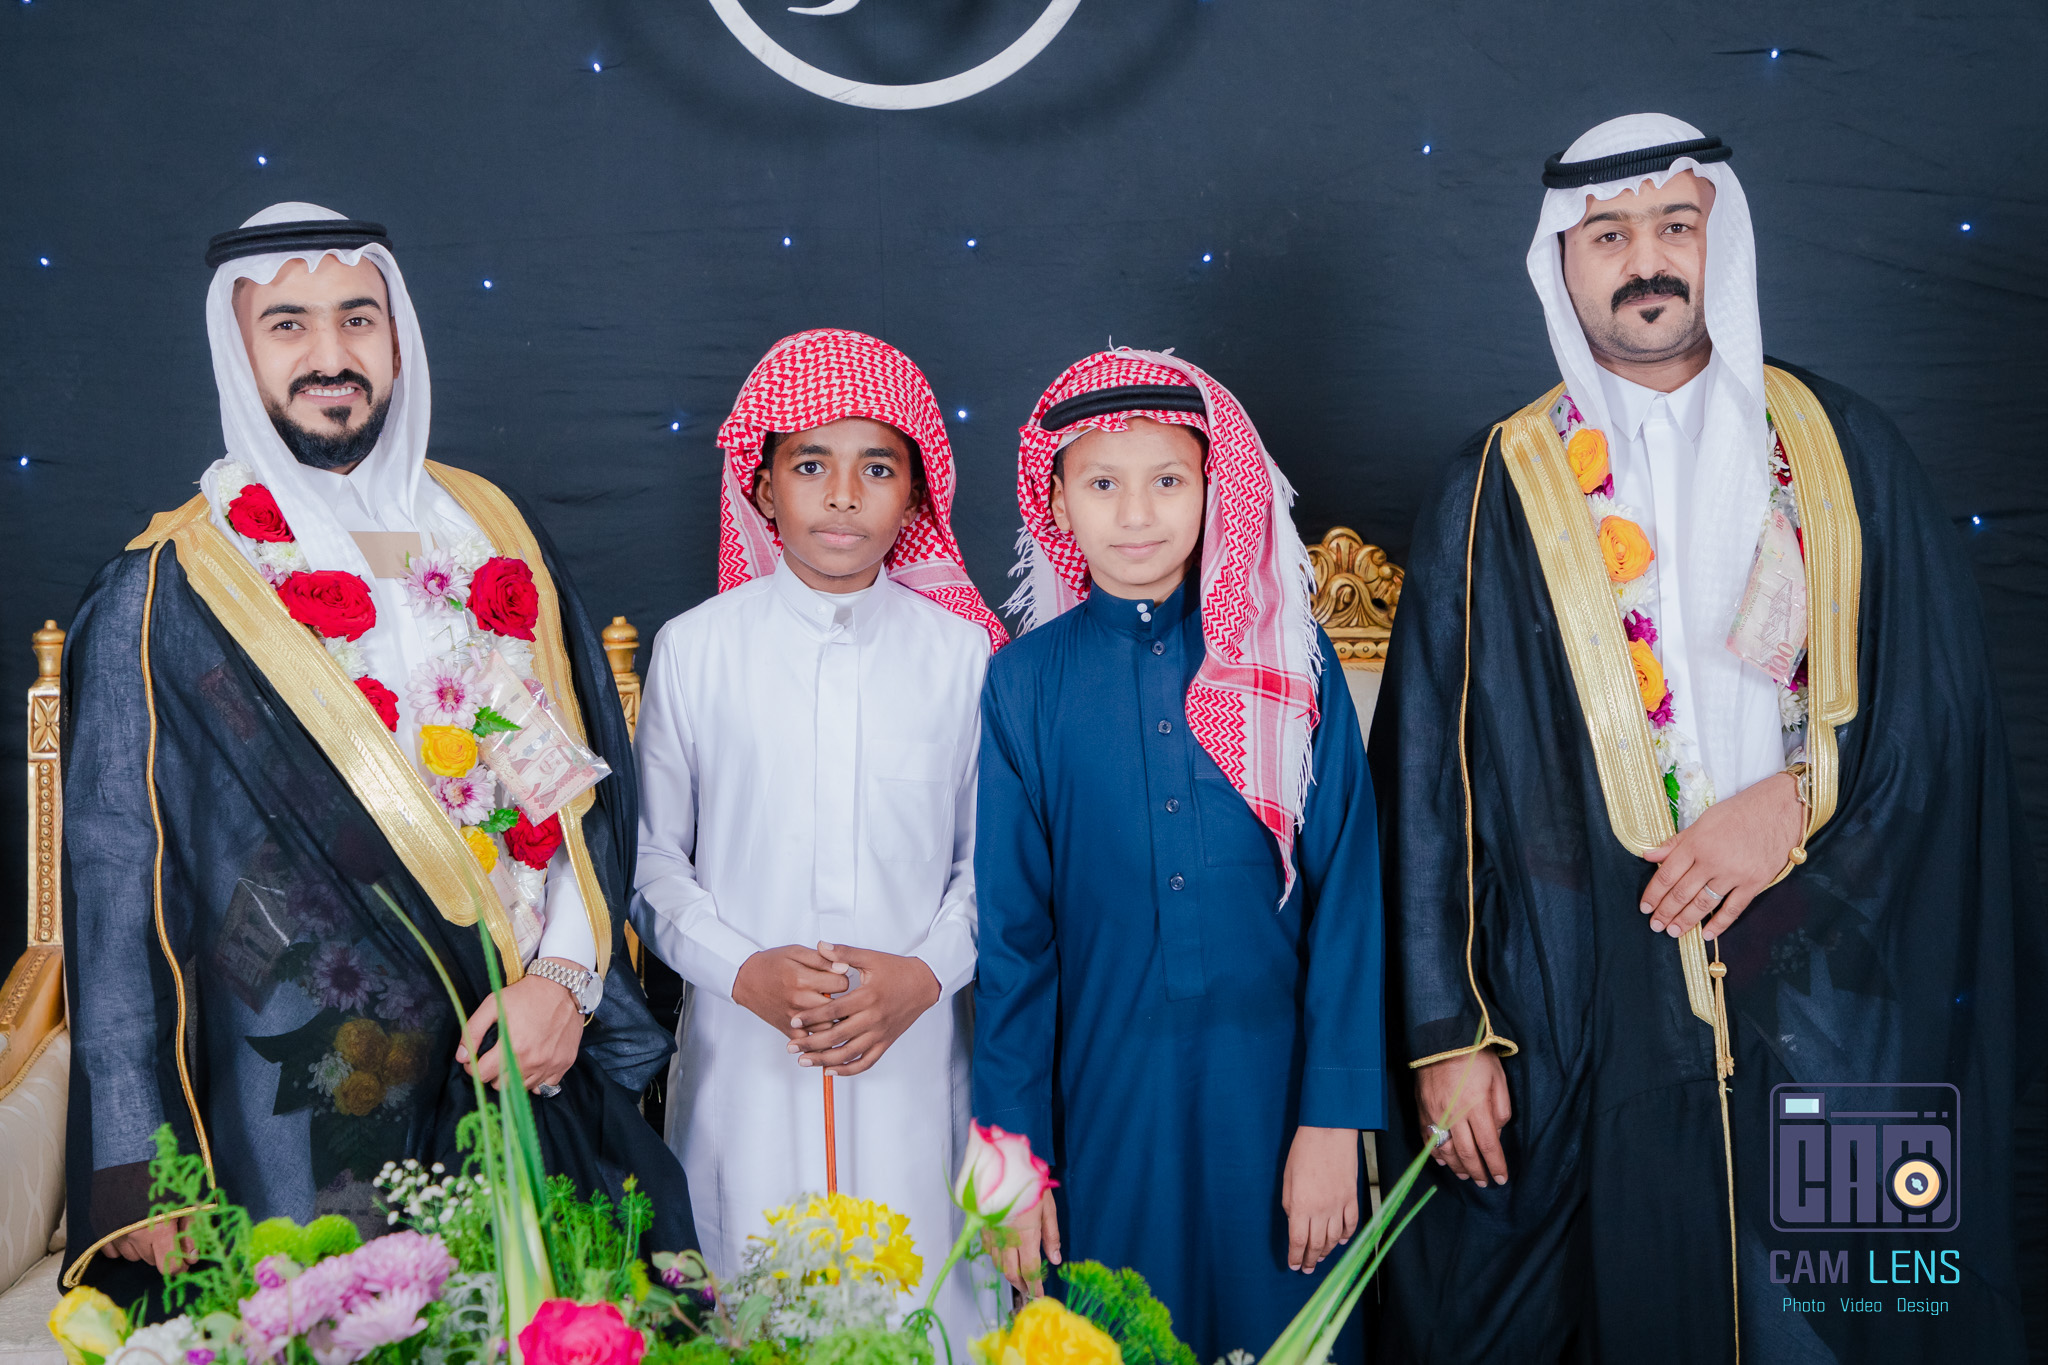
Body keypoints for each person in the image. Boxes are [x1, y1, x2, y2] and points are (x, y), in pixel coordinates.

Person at [1373, 115, 2047, 1362]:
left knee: (1846, 1319)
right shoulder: (1493, 492)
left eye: (1673, 226)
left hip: (1839, 993)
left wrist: (1792, 800)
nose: (1645, 260)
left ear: (1714, 240)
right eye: (1607, 236)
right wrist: (1448, 1035)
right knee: (1638, 1306)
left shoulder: (1842, 452)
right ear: (1560, 262)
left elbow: (1941, 716)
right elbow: (1427, 789)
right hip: (1592, 999)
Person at [60, 204, 693, 1310]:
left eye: (358, 318)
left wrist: (564, 984)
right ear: (237, 347)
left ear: (397, 336)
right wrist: (139, 1169)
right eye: (289, 325)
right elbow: (119, 892)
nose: (331, 355)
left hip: (519, 1069)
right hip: (297, 1118)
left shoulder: (490, 531)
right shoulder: (169, 588)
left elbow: (581, 793)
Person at [972, 349, 1386, 1360]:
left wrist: (1334, 1122)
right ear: (1057, 504)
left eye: (1167, 480)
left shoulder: (1289, 661)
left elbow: (1349, 898)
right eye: (1101, 485)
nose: (1136, 514)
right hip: (1103, 1112)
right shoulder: (1024, 683)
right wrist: (1012, 1164)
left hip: (1279, 1107)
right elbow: (1014, 947)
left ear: (1214, 489)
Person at [630, 329, 1006, 1339]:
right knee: (750, 1308)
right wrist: (743, 970)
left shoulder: (965, 658)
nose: (843, 496)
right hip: (743, 1059)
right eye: (810, 466)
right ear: (761, 488)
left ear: (915, 498)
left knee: (926, 1315)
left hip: (917, 1060)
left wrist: (923, 976)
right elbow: (652, 864)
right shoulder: (695, 650)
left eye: (876, 469)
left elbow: (996, 867)